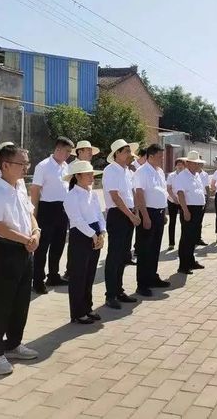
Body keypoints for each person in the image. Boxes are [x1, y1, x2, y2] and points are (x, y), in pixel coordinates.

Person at [0, 144, 40, 375]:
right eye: (22, 163)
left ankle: (13, 343)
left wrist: (35, 232)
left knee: (21, 301)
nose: (26, 167)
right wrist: (26, 238)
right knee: (1, 304)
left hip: (25, 250)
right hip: (5, 251)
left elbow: (29, 214)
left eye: (27, 163)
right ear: (5, 165)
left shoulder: (20, 187)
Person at [63, 160, 105, 324]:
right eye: (88, 174)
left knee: (89, 274)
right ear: (78, 176)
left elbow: (99, 215)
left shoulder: (92, 193)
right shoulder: (71, 196)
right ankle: (78, 312)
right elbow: (77, 220)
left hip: (94, 233)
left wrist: (102, 232)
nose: (91, 177)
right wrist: (93, 235)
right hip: (81, 236)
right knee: (79, 275)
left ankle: (87, 307)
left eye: (91, 174)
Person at [30, 137, 73, 293]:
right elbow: (35, 190)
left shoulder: (66, 166)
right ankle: (37, 280)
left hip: (62, 209)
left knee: (58, 244)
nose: (69, 154)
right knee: (42, 247)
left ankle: (53, 275)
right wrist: (33, 214)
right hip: (46, 209)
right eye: (67, 151)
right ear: (58, 149)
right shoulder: (43, 166)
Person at [103, 139, 140, 309]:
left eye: (129, 151)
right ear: (116, 153)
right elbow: (115, 197)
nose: (129, 154)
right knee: (114, 256)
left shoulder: (127, 171)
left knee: (124, 255)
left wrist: (136, 212)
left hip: (129, 213)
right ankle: (110, 294)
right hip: (118, 215)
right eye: (125, 151)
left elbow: (132, 193)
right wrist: (130, 215)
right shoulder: (111, 170)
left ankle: (119, 290)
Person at [134, 144, 171, 296]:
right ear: (150, 156)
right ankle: (142, 284)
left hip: (159, 213)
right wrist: (145, 216)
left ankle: (152, 277)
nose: (162, 159)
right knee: (145, 250)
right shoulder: (142, 172)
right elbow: (139, 194)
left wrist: (164, 212)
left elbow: (162, 191)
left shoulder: (160, 171)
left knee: (155, 248)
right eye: (159, 156)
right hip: (147, 213)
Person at [173, 151, 206, 274]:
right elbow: (180, 194)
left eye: (199, 163)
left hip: (197, 209)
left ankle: (191, 261)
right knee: (186, 238)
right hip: (189, 209)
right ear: (188, 163)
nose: (198, 166)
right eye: (196, 163)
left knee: (193, 237)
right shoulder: (182, 176)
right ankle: (183, 265)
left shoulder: (196, 175)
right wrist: (185, 210)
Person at [166, 158, 186, 250]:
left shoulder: (186, 175)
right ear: (175, 166)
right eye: (178, 164)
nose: (180, 166)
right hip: (172, 200)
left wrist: (181, 200)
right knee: (172, 221)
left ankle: (183, 242)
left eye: (181, 164)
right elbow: (169, 188)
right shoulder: (171, 175)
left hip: (183, 201)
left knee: (184, 222)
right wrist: (174, 198)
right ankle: (171, 243)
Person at [196, 159, 210, 246]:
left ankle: (198, 238)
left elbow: (207, 186)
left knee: (200, 220)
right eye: (199, 163)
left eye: (201, 163)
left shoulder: (205, 174)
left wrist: (208, 197)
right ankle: (192, 238)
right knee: (194, 221)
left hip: (203, 198)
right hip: (194, 200)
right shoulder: (193, 174)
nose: (200, 165)